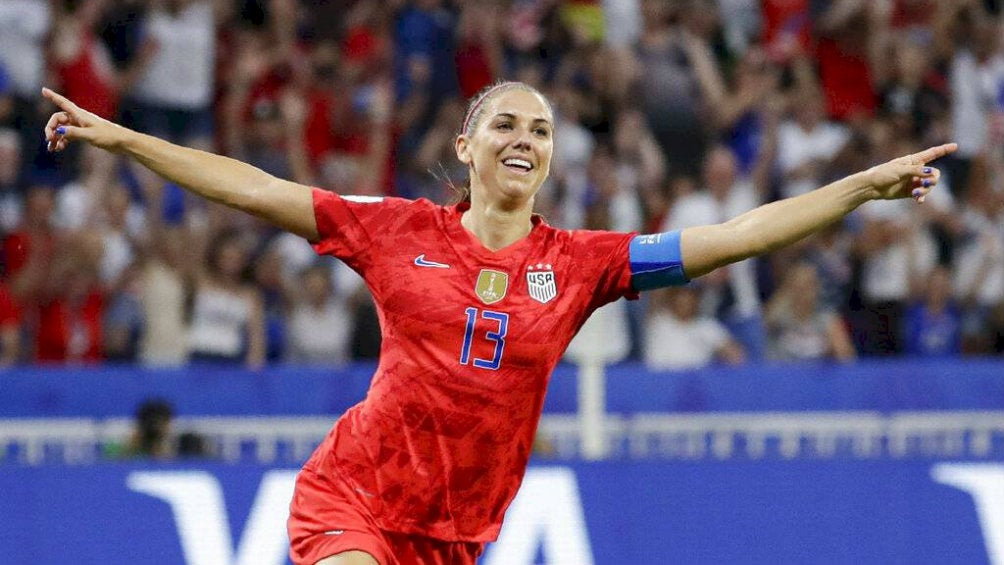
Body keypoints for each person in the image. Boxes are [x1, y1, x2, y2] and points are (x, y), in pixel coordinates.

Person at [41, 82, 954, 565]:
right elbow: (258, 187)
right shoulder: (393, 229)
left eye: (544, 129)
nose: (527, 138)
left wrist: (858, 190)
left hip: (461, 534)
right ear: (466, 145)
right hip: (353, 498)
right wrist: (123, 139)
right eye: (507, 123)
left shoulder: (585, 263)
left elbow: (733, 235)